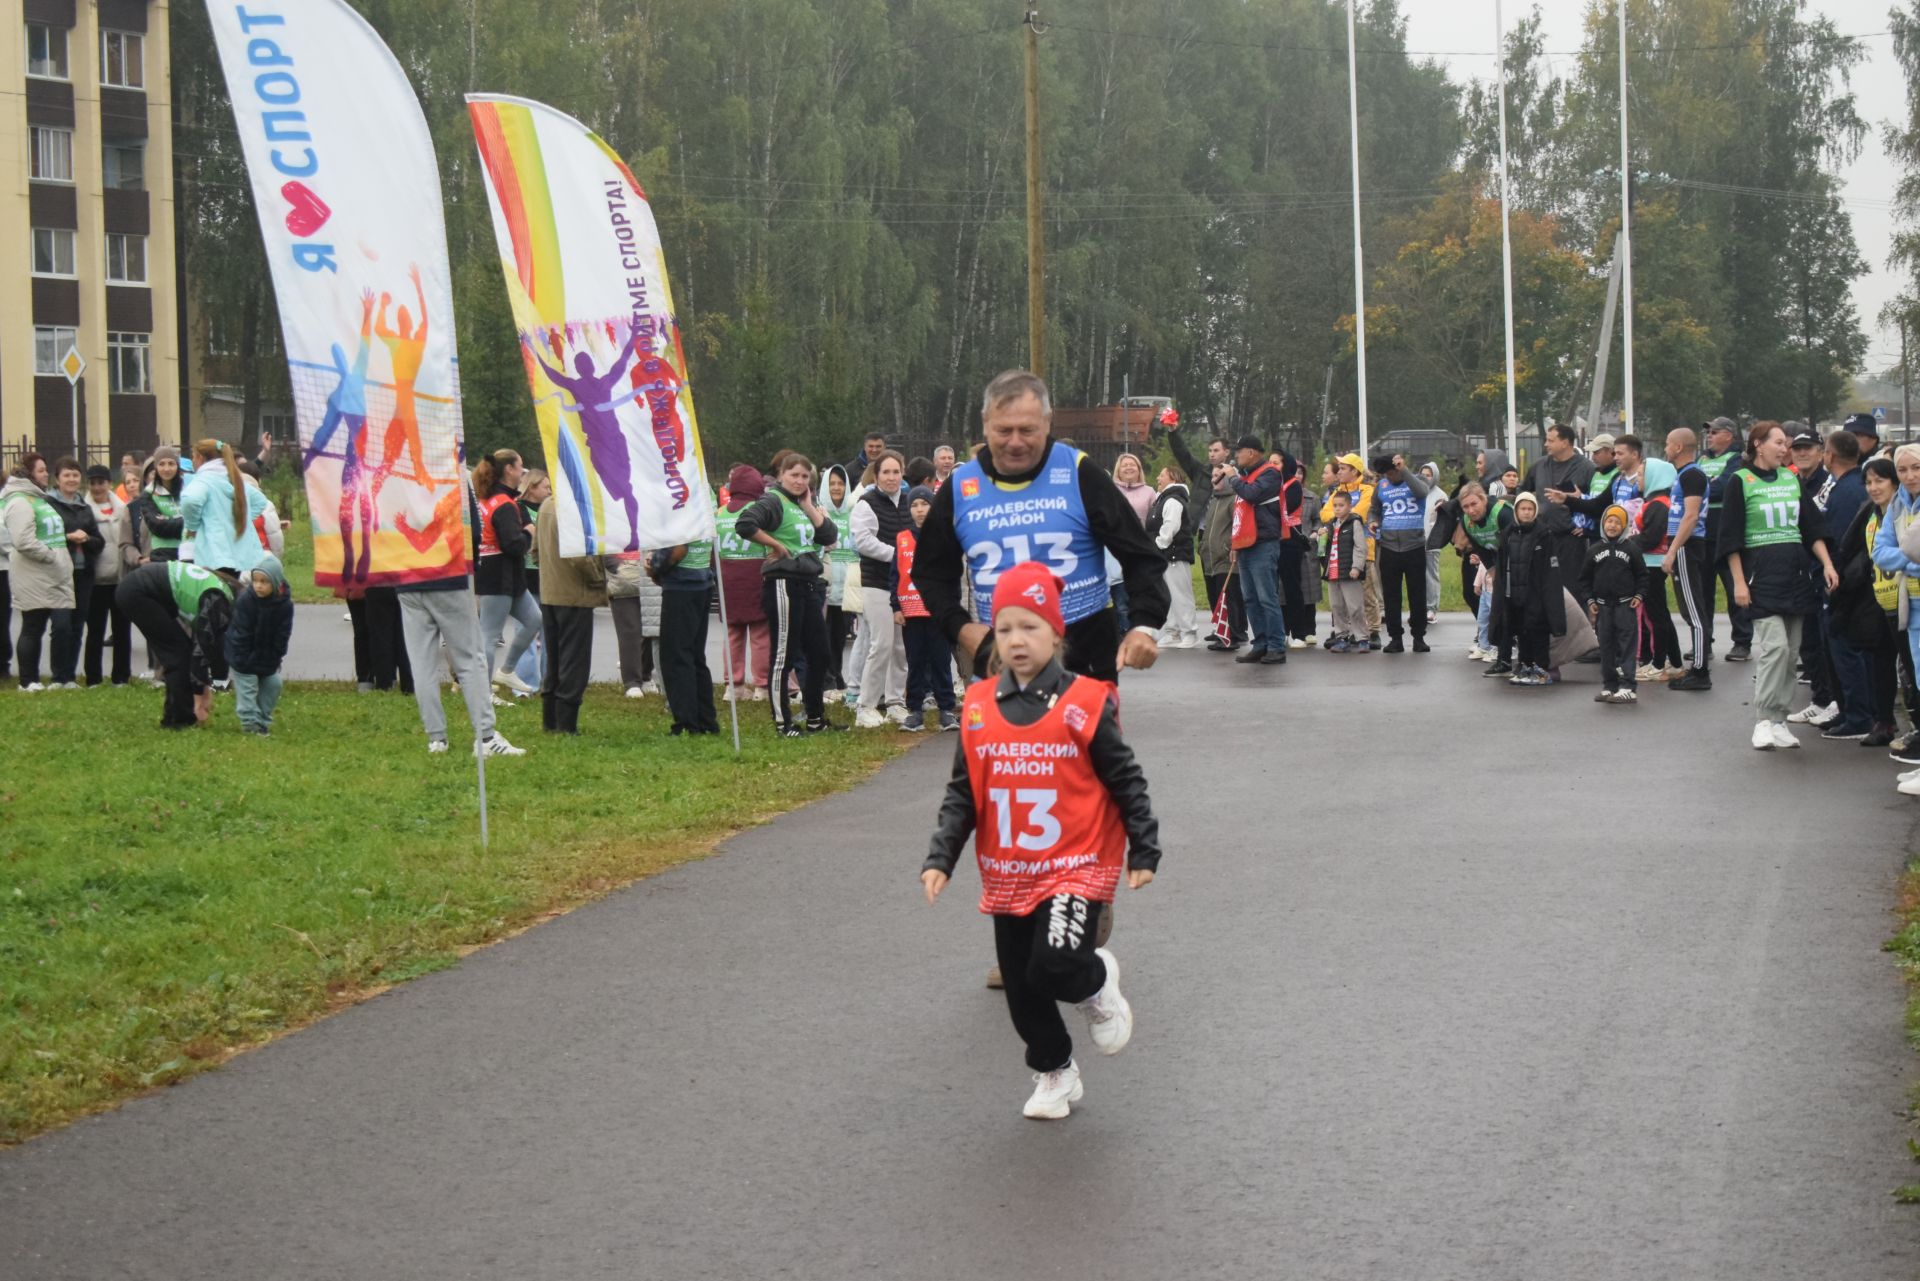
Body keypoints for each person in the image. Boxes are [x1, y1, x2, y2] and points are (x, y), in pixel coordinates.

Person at [920, 561, 1160, 1120]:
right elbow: (965, 792)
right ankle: (1055, 1071)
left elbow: (1125, 778)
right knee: (1023, 987)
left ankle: (1097, 983)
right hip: (1009, 869)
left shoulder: (1086, 702)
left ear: (1057, 633)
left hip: (1075, 862)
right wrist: (941, 857)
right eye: (1004, 629)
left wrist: (1144, 847)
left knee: (1055, 964)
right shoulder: (979, 706)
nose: (1017, 641)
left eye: (1030, 627)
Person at [915, 371, 1168, 686]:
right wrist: (961, 628)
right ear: (984, 423)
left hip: (1085, 658)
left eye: (1028, 430)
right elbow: (929, 571)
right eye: (1004, 430)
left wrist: (1143, 624)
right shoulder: (960, 487)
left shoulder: (1079, 472)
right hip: (1003, 659)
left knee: (1097, 738)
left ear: (1048, 422)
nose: (1016, 442)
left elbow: (1140, 555)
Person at [1723, 421, 1838, 750]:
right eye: (1778, 442)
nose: (1784, 449)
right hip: (1761, 577)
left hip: (1796, 576)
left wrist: (1827, 564)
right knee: (1774, 649)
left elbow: (1811, 527)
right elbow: (1730, 537)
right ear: (1758, 444)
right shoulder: (1740, 481)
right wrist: (1739, 582)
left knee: (1790, 654)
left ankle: (1779, 720)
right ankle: (1762, 720)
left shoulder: (1790, 478)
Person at [736, 452, 841, 738]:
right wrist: (776, 546)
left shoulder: (801, 503)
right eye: (794, 475)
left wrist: (809, 506)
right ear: (781, 475)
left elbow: (829, 536)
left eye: (805, 476)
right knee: (784, 655)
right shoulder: (774, 500)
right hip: (783, 583)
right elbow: (746, 523)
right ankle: (784, 723)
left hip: (808, 582)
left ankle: (816, 718)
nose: (799, 481)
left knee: (820, 654)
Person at [1828, 457, 1899, 746]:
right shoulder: (1869, 514)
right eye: (1868, 482)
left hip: (1905, 600)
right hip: (1874, 598)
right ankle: (1884, 721)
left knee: (1906, 665)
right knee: (1880, 659)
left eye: (1880, 481)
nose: (1873, 488)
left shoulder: (1904, 511)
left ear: (1894, 483)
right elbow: (1851, 548)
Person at [117, 561, 235, 728]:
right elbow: (201, 652)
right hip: (138, 591)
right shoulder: (218, 603)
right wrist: (198, 699)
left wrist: (205, 688)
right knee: (178, 655)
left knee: (181, 651)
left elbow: (204, 650)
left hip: (140, 587)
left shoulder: (221, 594)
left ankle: (177, 714)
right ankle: (180, 719)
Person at [535, 485, 608, 736]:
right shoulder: (572, 509)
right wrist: (598, 577)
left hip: (550, 592)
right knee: (574, 662)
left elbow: (535, 551)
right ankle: (566, 724)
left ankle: (550, 720)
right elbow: (579, 556)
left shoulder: (545, 505)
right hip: (576, 594)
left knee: (554, 658)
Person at [3, 454, 79, 690]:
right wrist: (50, 555)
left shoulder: (37, 498)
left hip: (53, 572)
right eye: (41, 470)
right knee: (33, 626)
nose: (46, 474)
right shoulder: (19, 501)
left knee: (63, 625)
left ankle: (63, 678)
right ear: (28, 474)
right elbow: (23, 540)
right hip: (34, 572)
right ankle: (28, 680)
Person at [471, 449, 541, 695]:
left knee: (535, 620)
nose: (523, 471)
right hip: (498, 574)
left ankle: (507, 671)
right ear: (509, 470)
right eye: (520, 466)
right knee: (489, 635)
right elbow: (512, 545)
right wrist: (528, 534)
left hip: (508, 577)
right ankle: (482, 692)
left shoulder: (489, 499)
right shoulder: (503, 505)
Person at [1170, 429, 1246, 650]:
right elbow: (1183, 455)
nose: (1212, 454)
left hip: (1227, 534)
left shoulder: (1235, 475)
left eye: (1216, 450)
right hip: (1205, 534)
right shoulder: (1202, 473)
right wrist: (1174, 432)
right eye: (1209, 451)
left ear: (1226, 452)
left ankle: (1236, 630)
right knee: (1212, 584)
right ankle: (1220, 627)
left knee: (1230, 587)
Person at [851, 449, 911, 726]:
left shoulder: (910, 501)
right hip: (876, 583)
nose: (891, 477)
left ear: (902, 473)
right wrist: (897, 554)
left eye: (896, 472)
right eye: (885, 472)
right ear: (876, 476)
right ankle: (866, 706)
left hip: (904, 586)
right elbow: (863, 542)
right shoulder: (867, 503)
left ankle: (895, 702)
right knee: (881, 644)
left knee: (900, 647)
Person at [891, 485, 957, 732]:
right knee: (915, 661)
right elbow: (894, 575)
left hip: (937, 611)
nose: (920, 510)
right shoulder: (902, 538)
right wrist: (895, 606)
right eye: (914, 505)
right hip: (911, 612)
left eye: (924, 504)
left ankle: (947, 710)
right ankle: (915, 711)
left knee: (941, 662)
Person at [1223, 436, 1288, 665]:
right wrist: (1235, 543)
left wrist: (1233, 478)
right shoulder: (1247, 476)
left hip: (1263, 543)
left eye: (1238, 452)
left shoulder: (1270, 473)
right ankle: (1260, 644)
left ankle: (1276, 646)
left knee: (1266, 597)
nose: (1236, 456)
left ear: (1251, 452)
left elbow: (1251, 495)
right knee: (1250, 598)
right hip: (1247, 543)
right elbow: (1241, 513)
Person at [649, 537, 721, 736]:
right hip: (702, 580)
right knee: (695, 657)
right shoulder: (703, 507)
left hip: (682, 584)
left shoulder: (681, 507)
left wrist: (655, 566)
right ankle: (706, 720)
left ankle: (687, 723)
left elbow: (678, 549)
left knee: (676, 657)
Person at [1662, 428, 1715, 692]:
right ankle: (1697, 667)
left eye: (1668, 444)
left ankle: (1700, 670)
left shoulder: (1692, 474)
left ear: (1679, 447)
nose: (1665, 448)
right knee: (1689, 608)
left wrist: (1673, 549)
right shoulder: (1683, 475)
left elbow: (1691, 516)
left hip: (1687, 545)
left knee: (1693, 610)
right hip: (1684, 545)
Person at [716, 464, 774, 702]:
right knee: (761, 634)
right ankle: (761, 686)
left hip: (728, 579)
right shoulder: (760, 510)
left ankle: (733, 685)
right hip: (756, 577)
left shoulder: (720, 513)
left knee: (732, 634)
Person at [1520, 424, 1596, 604]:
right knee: (1541, 585)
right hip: (1541, 536)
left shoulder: (1586, 468)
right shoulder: (1539, 465)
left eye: (1551, 440)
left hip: (1571, 539)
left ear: (1565, 443)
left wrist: (1588, 527)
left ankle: (1575, 628)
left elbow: (1597, 501)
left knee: (1571, 589)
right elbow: (1522, 492)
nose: (1546, 444)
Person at [1579, 504, 1647, 703]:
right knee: (1606, 647)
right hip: (1602, 607)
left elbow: (1643, 575)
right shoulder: (1594, 550)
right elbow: (1584, 579)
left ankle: (1628, 686)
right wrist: (1590, 600)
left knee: (1626, 645)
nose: (1612, 525)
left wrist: (1639, 595)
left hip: (1625, 606)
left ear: (1624, 526)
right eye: (1609, 521)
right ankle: (1610, 685)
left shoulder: (1631, 549)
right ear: (1603, 523)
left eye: (1618, 522)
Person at [46, 458, 102, 688]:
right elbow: (43, 537)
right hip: (58, 572)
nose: (71, 480)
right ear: (57, 479)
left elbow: (100, 541)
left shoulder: (85, 508)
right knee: (61, 625)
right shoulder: (48, 505)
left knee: (77, 625)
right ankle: (57, 676)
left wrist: (87, 538)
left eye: (75, 475)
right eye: (66, 475)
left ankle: (69, 676)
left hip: (83, 573)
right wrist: (68, 537)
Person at [1699, 416, 1751, 662]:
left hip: (1727, 534)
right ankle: (1704, 642)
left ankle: (1742, 642)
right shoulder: (1702, 458)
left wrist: (1704, 487)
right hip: (1703, 534)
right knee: (1703, 591)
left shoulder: (1736, 459)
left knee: (1734, 590)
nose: (1710, 435)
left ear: (1729, 435)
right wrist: (1708, 485)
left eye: (1715, 431)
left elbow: (1725, 487)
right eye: (1709, 432)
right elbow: (1691, 485)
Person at [225, 552, 294, 736]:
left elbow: (283, 634)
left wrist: (276, 656)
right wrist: (244, 659)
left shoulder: (285, 604)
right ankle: (249, 724)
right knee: (248, 688)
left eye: (264, 582)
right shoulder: (247, 600)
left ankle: (262, 721)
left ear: (276, 582)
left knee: (273, 684)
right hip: (243, 656)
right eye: (256, 581)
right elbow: (241, 633)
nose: (258, 586)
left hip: (267, 657)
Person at [1499, 493, 1564, 687]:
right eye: (1522, 509)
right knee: (1521, 631)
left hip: (1536, 593)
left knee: (1537, 632)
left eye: (1530, 509)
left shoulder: (1544, 534)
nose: (1526, 513)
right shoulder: (1508, 533)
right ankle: (1525, 665)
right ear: (1516, 511)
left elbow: (1551, 568)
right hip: (1514, 594)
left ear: (1535, 511)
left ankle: (1541, 669)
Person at [1370, 454, 1432, 653]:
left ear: (1399, 467)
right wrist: (1373, 520)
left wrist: (1404, 471)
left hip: (1414, 546)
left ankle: (1419, 637)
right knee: (1391, 595)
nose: (1390, 476)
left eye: (1392, 471)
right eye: (1386, 473)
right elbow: (1375, 509)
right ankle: (1395, 637)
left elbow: (1422, 492)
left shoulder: (1417, 480)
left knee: (1417, 594)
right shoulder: (1381, 486)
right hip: (1388, 548)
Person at [181, 439, 271, 574]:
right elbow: (260, 501)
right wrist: (239, 519)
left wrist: (192, 526)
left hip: (212, 554)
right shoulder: (233, 479)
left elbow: (190, 500)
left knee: (215, 593)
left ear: (200, 458)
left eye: (193, 456)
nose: (193, 461)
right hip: (238, 553)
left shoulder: (204, 479)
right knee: (232, 592)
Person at [83, 465, 134, 686]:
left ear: (109, 484)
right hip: (95, 579)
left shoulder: (124, 509)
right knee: (95, 630)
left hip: (120, 578)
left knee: (122, 630)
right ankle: (93, 678)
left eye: (101, 482)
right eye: (92, 483)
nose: (97, 487)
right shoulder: (83, 510)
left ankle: (121, 676)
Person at [1456, 483, 1511, 662]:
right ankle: (1498, 649)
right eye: (1466, 507)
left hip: (1519, 558)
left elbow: (1518, 542)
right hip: (1496, 559)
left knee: (1512, 607)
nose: (1471, 510)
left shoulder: (1502, 513)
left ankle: (1513, 648)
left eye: (1474, 504)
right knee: (1495, 607)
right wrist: (1493, 572)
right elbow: (1481, 548)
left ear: (1483, 499)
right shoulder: (1466, 522)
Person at [1148, 465, 1199, 648]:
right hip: (1165, 555)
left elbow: (1170, 527)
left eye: (1162, 475)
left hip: (1174, 555)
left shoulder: (1173, 500)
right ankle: (1172, 632)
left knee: (1180, 594)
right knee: (1167, 595)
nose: (1158, 479)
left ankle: (1189, 632)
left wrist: (1157, 545)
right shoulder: (1162, 499)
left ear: (1173, 478)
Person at [821, 464, 859, 692]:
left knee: (839, 637)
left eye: (841, 483)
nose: (837, 488)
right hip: (826, 584)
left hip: (848, 586)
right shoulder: (818, 510)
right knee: (823, 636)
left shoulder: (853, 512)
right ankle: (826, 679)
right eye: (832, 483)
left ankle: (836, 674)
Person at [1323, 489, 1370, 652]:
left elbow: (1360, 547)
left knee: (1355, 606)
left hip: (1349, 572)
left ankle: (1362, 638)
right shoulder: (1330, 525)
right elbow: (1323, 547)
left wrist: (1356, 567)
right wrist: (1319, 535)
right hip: (1333, 572)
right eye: (1335, 505)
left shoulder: (1354, 523)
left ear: (1350, 506)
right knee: (1337, 606)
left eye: (1341, 505)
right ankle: (1341, 636)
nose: (1337, 509)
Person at [131, 446, 186, 564]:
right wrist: (183, 522)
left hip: (187, 552)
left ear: (178, 466)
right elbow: (157, 526)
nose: (167, 469)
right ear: (156, 467)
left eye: (171, 463)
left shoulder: (188, 489)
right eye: (162, 464)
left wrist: (167, 520)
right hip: (161, 555)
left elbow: (196, 523)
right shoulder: (148, 494)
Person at [1419, 461, 1447, 625]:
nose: (1426, 478)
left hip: (1432, 542)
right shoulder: (1417, 492)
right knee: (1417, 576)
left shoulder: (1440, 495)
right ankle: (1420, 607)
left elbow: (1442, 521)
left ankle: (1431, 608)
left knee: (1431, 575)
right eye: (1423, 474)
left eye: (1429, 475)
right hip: (1415, 541)